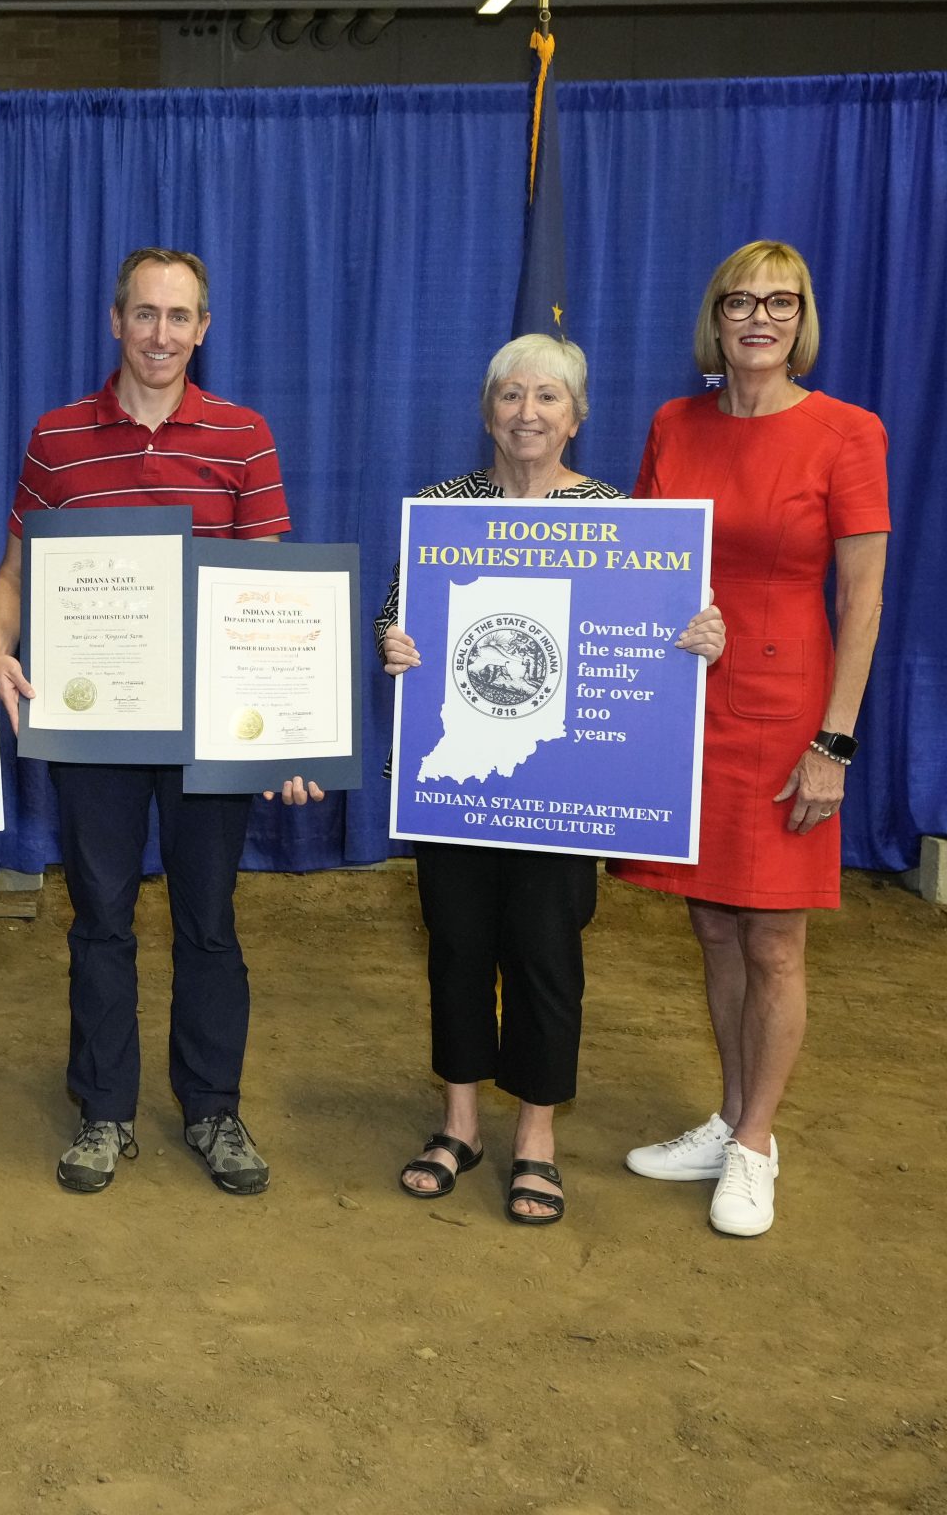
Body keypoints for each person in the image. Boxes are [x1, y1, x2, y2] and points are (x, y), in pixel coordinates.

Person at [0, 248, 319, 1198]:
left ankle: (213, 1106)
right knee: (100, 918)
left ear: (203, 329)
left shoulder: (243, 435)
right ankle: (103, 1110)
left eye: (179, 318)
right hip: (93, 727)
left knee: (208, 921)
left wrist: (285, 732)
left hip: (209, 729)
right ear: (115, 320)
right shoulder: (57, 438)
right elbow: (16, 574)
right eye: (145, 314)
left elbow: (272, 591)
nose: (161, 334)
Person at [376, 334, 725, 1224]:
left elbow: (653, 629)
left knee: (544, 951)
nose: (526, 412)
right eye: (510, 396)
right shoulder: (443, 507)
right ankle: (460, 1124)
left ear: (577, 416)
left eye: (547, 397)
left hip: (566, 790)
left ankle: (536, 1133)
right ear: (486, 409)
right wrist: (395, 641)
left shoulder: (617, 513)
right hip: (459, 780)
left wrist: (696, 639)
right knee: (454, 944)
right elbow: (397, 610)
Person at [613, 241, 889, 1238]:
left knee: (775, 937)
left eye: (782, 302)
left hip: (791, 715)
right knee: (715, 925)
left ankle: (757, 1145)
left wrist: (837, 742)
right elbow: (645, 567)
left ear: (803, 318)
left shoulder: (849, 433)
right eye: (741, 301)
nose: (760, 319)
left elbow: (861, 602)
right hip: (691, 710)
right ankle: (731, 1113)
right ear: (716, 317)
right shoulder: (673, 423)